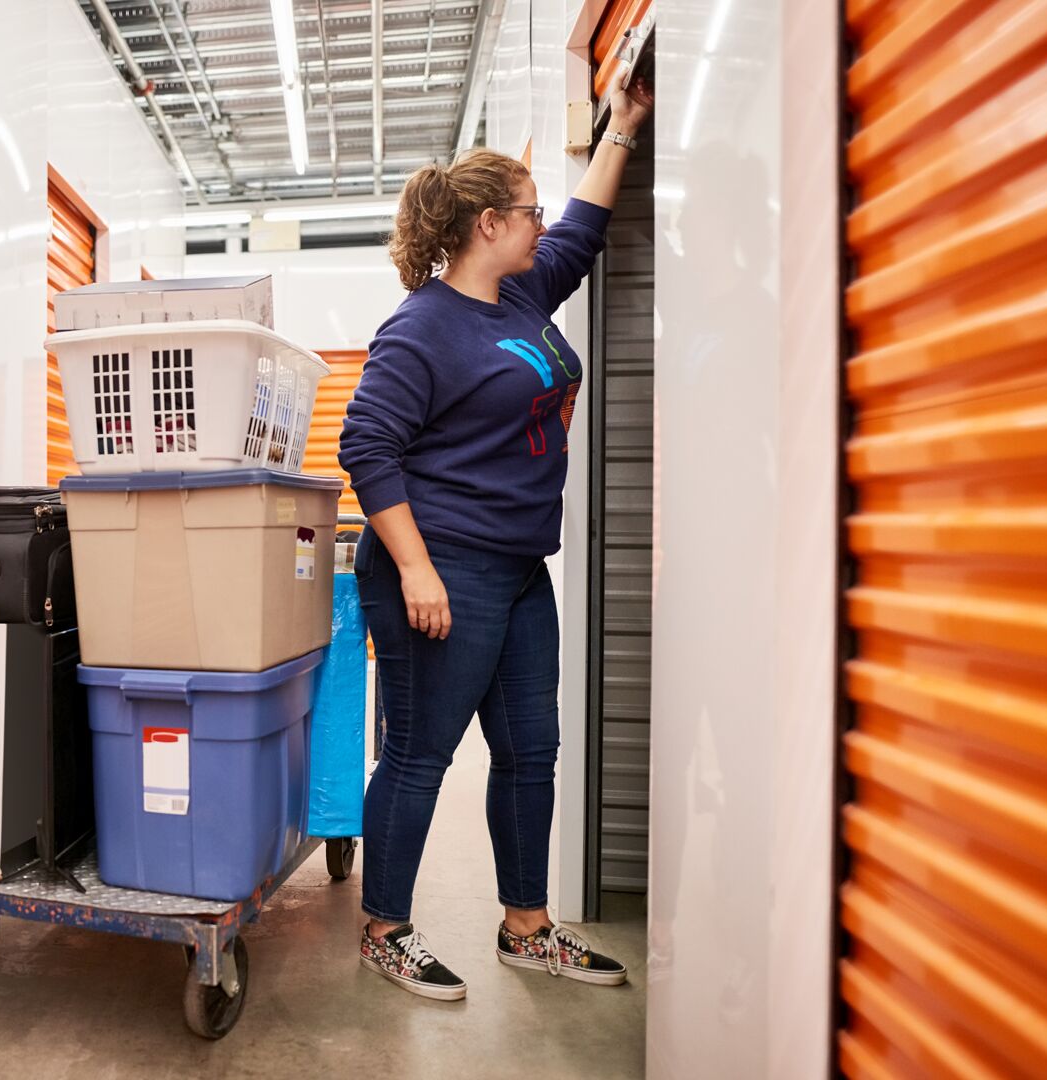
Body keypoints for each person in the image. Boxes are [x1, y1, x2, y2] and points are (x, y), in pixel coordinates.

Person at [338, 74, 654, 1001]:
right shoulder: (423, 329)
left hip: (516, 569)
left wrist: (624, 127)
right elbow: (367, 445)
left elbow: (584, 231)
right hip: (435, 568)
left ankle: (526, 928)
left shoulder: (521, 298)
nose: (540, 222)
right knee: (419, 753)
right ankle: (385, 929)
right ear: (487, 225)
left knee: (531, 749)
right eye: (528, 212)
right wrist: (417, 571)